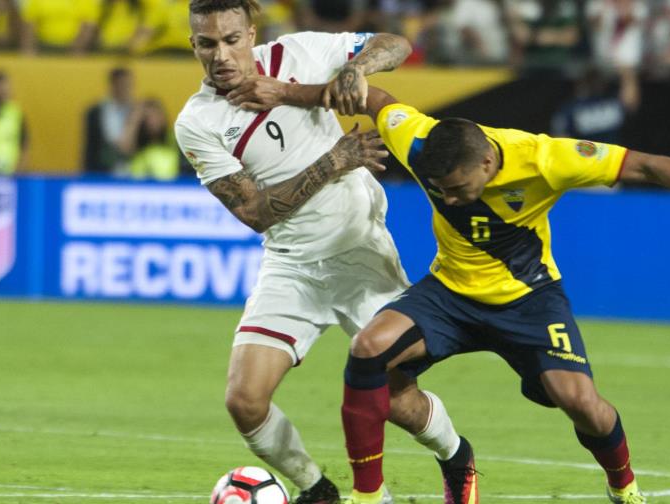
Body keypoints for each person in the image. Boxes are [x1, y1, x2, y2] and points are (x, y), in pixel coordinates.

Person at [329, 86, 670, 504]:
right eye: (440, 190)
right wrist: (335, 76)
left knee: (583, 405)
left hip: (530, 300)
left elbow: (643, 164)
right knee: (368, 349)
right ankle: (368, 495)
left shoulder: (547, 158)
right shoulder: (420, 138)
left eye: (458, 188)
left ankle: (623, 487)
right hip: (450, 292)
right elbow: (375, 97)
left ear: (487, 163)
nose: (449, 199)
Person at [174, 2, 467, 503]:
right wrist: (334, 161)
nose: (221, 55)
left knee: (395, 397)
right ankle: (319, 490)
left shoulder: (300, 52)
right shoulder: (197, 122)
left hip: (359, 250)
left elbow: (397, 45)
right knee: (244, 401)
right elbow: (255, 213)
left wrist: (355, 67)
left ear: (251, 33)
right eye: (207, 44)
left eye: (230, 39)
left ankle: (457, 457)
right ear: (194, 47)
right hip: (290, 263)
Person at [83, 67, 135, 176]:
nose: (124, 89)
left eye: (127, 85)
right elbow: (90, 148)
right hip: (103, 171)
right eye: (120, 84)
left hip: (132, 171)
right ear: (112, 85)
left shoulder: (137, 111)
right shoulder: (95, 112)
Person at [118, 98, 181, 180]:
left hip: (171, 185)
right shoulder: (136, 141)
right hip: (138, 185)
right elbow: (124, 148)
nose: (152, 121)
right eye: (148, 117)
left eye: (155, 116)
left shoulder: (172, 138)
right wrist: (136, 116)